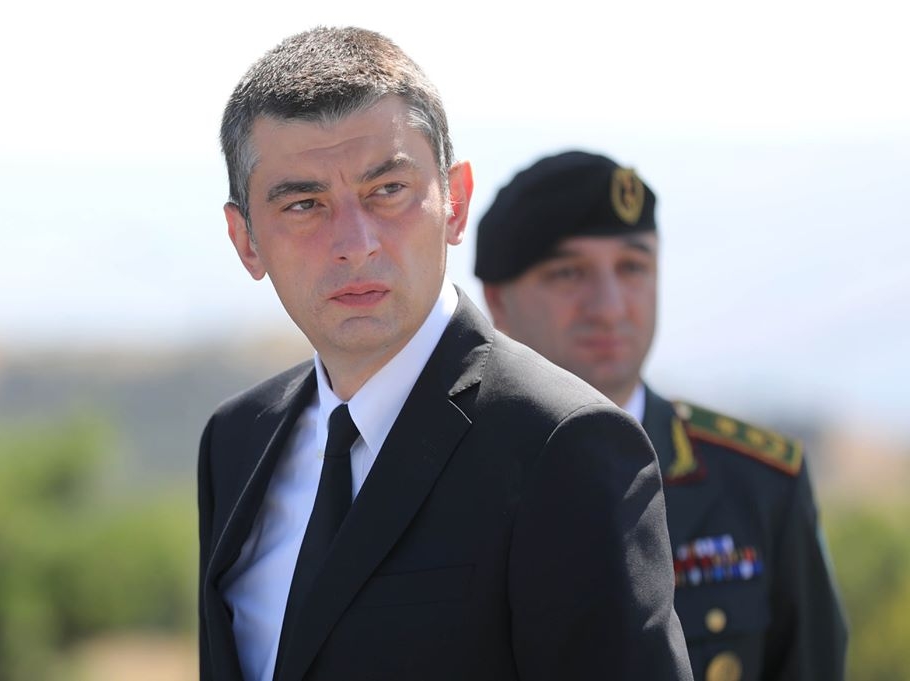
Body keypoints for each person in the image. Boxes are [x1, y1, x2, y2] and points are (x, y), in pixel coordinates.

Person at [199, 27, 693, 681]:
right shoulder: (236, 440)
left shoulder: (564, 444)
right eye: (305, 204)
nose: (355, 242)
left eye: (388, 190)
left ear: (454, 203)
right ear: (246, 241)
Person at [475, 149, 848, 681]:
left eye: (633, 267)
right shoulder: (448, 476)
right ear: (498, 302)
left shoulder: (758, 484)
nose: (609, 307)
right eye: (568, 273)